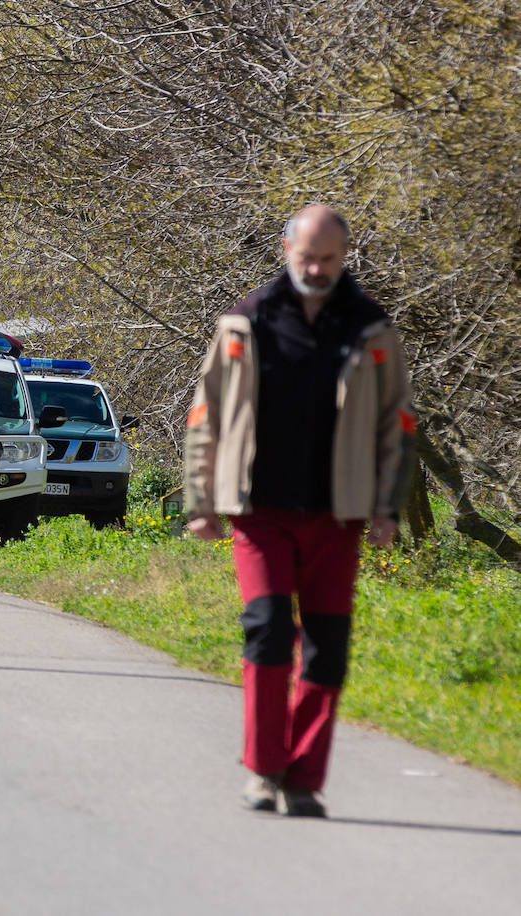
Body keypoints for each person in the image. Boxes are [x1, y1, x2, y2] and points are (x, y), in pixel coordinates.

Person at [184, 204, 416, 818]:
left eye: (329, 259)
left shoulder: (370, 328)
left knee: (326, 647)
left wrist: (388, 506)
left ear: (345, 258)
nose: (316, 268)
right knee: (266, 631)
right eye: (307, 256)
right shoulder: (244, 321)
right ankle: (263, 770)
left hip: (336, 517)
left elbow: (398, 423)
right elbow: (205, 415)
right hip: (257, 512)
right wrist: (199, 499)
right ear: (286, 250)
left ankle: (304, 779)